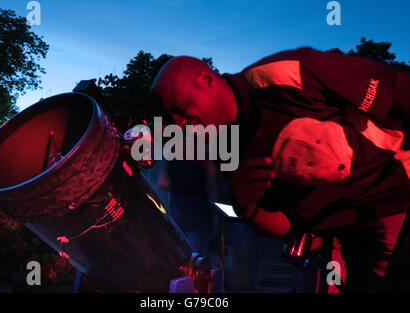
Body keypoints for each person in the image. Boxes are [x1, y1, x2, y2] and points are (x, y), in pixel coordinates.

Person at [150, 47, 410, 292]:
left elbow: (396, 88)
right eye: (171, 118)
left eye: (180, 109)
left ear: (206, 79)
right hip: (342, 234)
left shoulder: (286, 75)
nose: (179, 124)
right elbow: (288, 225)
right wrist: (247, 209)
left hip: (394, 200)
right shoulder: (223, 150)